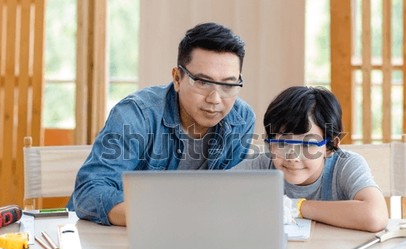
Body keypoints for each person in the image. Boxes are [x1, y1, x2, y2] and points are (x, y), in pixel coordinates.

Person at [67, 22, 255, 226]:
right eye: (202, 82)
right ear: (177, 78)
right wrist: (165, 219)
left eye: (228, 85)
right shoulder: (135, 115)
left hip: (194, 235)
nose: (215, 99)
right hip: (111, 236)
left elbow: (228, 193)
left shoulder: (241, 119)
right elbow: (89, 193)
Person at [234, 86, 388, 232]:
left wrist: (298, 206)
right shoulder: (261, 166)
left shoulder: (345, 165)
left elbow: (375, 216)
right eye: (282, 142)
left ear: (329, 146)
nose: (292, 156)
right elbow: (212, 195)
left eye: (307, 144)